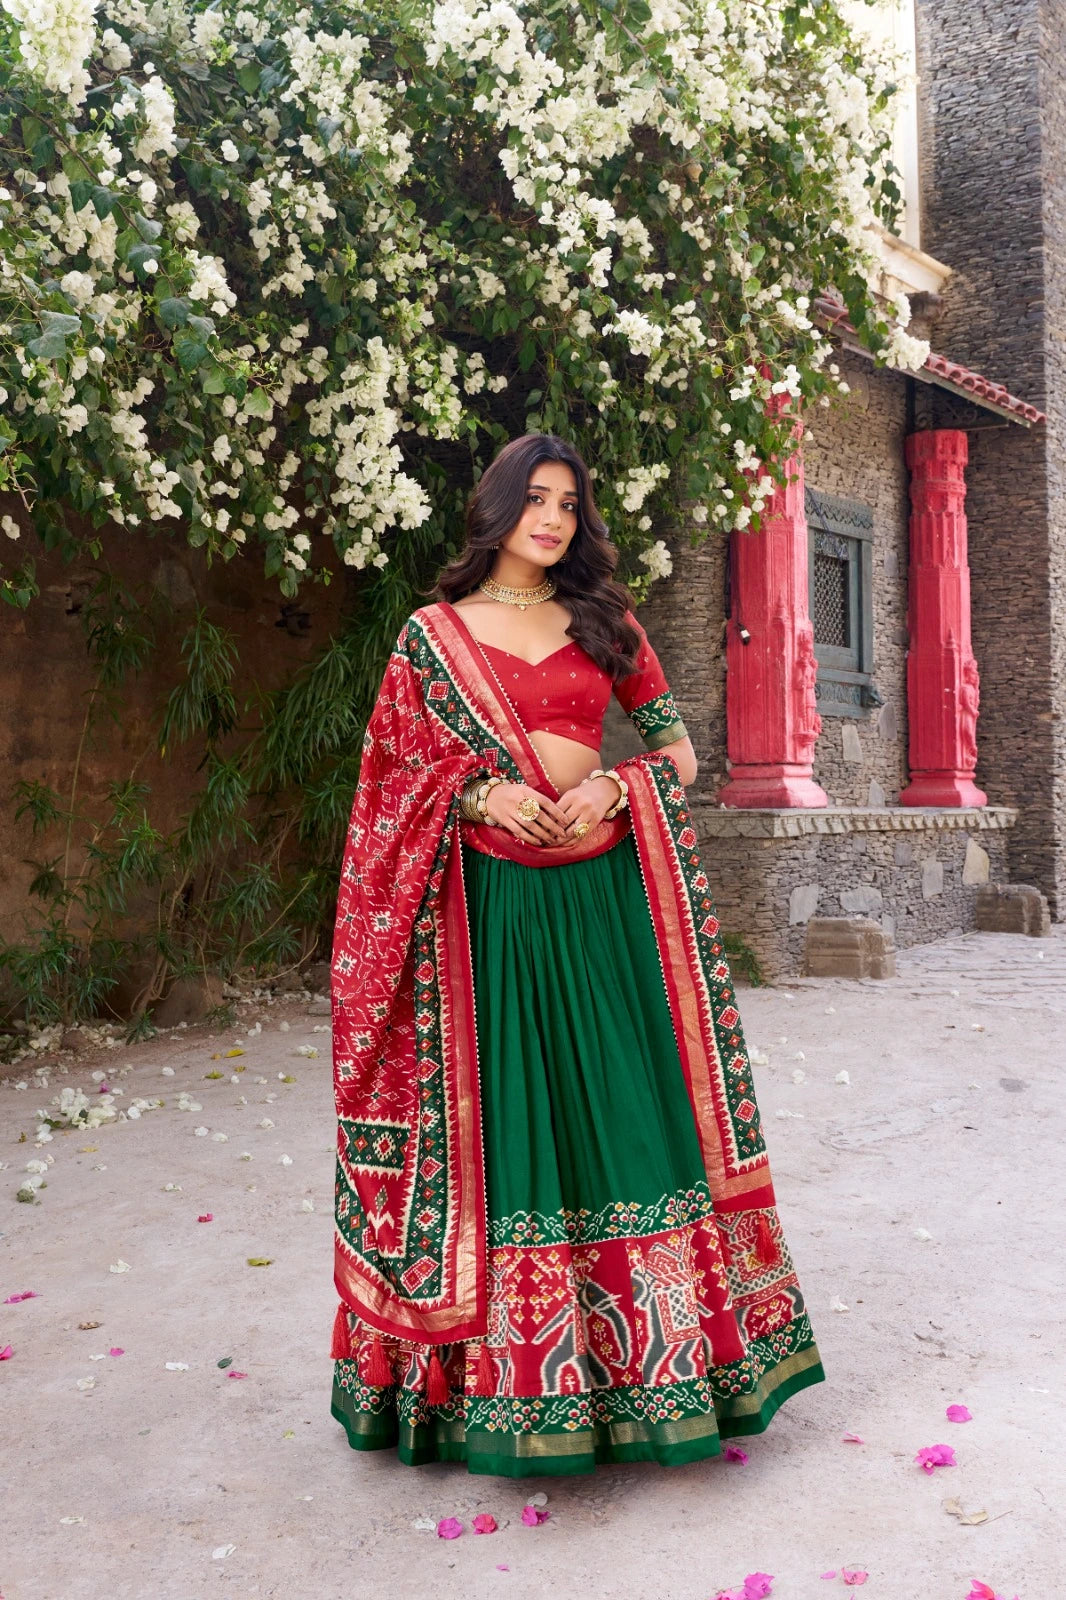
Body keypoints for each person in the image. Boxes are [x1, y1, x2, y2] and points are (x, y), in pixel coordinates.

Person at [329, 433, 825, 1477]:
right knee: (511, 1118)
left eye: (567, 502)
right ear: (496, 509)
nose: (550, 519)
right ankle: (505, 1392)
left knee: (619, 1113)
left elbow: (675, 750)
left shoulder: (606, 620)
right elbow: (388, 781)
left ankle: (654, 1372)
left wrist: (613, 786)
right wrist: (477, 791)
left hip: (602, 899)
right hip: (489, 910)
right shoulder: (432, 636)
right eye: (533, 499)